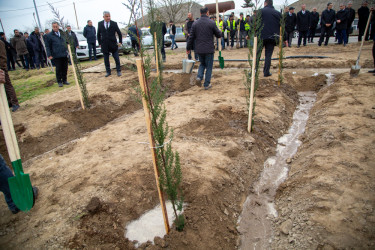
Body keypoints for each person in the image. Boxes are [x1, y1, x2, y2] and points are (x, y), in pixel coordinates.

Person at [187, 7, 221, 90]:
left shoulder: (195, 24)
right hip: (209, 49)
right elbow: (219, 35)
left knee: (202, 64)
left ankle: (199, 77)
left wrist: (188, 48)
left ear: (200, 13)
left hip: (199, 49)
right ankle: (206, 84)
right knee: (209, 66)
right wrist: (220, 31)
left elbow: (191, 38)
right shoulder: (211, 23)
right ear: (207, 13)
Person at [97, 11, 123, 77]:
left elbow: (119, 33)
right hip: (104, 45)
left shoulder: (114, 23)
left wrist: (120, 42)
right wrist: (100, 43)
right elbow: (98, 34)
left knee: (116, 58)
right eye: (107, 16)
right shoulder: (100, 24)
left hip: (113, 44)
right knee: (106, 59)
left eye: (109, 16)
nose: (108, 17)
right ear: (103, 17)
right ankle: (108, 72)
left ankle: (118, 71)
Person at [260, 0, 281, 77]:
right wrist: (285, 38)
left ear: (265, 3)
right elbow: (282, 25)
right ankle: (266, 72)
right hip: (272, 37)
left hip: (261, 37)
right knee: (268, 56)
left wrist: (250, 34)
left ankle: (254, 71)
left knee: (257, 54)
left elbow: (254, 24)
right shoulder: (277, 13)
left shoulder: (261, 11)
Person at [45, 22, 69, 87]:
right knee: (58, 69)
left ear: (58, 26)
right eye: (54, 27)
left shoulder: (62, 34)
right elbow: (47, 46)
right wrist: (49, 54)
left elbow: (67, 41)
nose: (55, 28)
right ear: (52, 27)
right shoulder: (49, 36)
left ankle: (64, 80)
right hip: (56, 55)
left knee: (65, 68)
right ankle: (59, 81)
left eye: (56, 26)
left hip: (64, 53)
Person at [0, 39, 20, 111]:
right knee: (3, 87)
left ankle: (15, 103)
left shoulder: (0, 43)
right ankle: (9, 102)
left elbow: (3, 56)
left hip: (1, 69)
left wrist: (2, 67)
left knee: (7, 85)